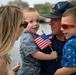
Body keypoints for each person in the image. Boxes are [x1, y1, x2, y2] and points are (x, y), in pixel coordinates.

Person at [17, 7, 58, 75]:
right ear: (23, 24)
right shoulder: (26, 37)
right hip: (29, 72)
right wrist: (50, 57)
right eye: (31, 21)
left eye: (37, 21)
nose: (35, 23)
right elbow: (35, 54)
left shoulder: (33, 35)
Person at [40, 1, 74, 75]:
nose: (50, 23)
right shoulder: (44, 40)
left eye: (55, 19)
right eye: (50, 19)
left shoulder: (74, 44)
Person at [0, 5, 28, 75]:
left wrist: (11, 71)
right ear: (15, 27)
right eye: (25, 24)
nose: (25, 28)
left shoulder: (3, 55)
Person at [54, 7, 76, 75]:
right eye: (61, 25)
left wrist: (57, 73)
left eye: (65, 26)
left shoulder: (71, 43)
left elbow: (72, 67)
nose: (61, 29)